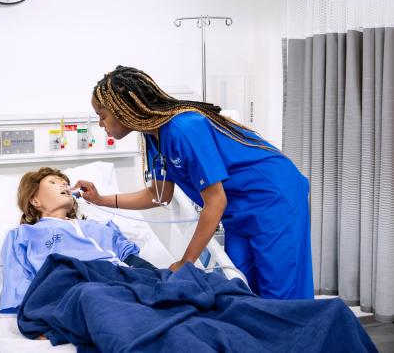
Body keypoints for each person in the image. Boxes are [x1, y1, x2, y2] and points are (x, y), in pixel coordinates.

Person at [72, 65, 314, 300]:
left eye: (102, 116)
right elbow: (159, 195)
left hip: (273, 199)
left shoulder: (185, 128)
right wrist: (101, 199)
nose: (101, 124)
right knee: (243, 288)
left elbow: (215, 201)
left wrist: (186, 262)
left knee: (281, 293)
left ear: (123, 109)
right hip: (239, 213)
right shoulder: (153, 136)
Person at [0, 167, 156, 313]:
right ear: (35, 201)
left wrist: (156, 278)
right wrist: (34, 315)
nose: (64, 186)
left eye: (66, 184)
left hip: (122, 280)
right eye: (53, 183)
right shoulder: (25, 234)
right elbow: (18, 280)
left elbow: (129, 257)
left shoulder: (98, 227)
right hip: (78, 289)